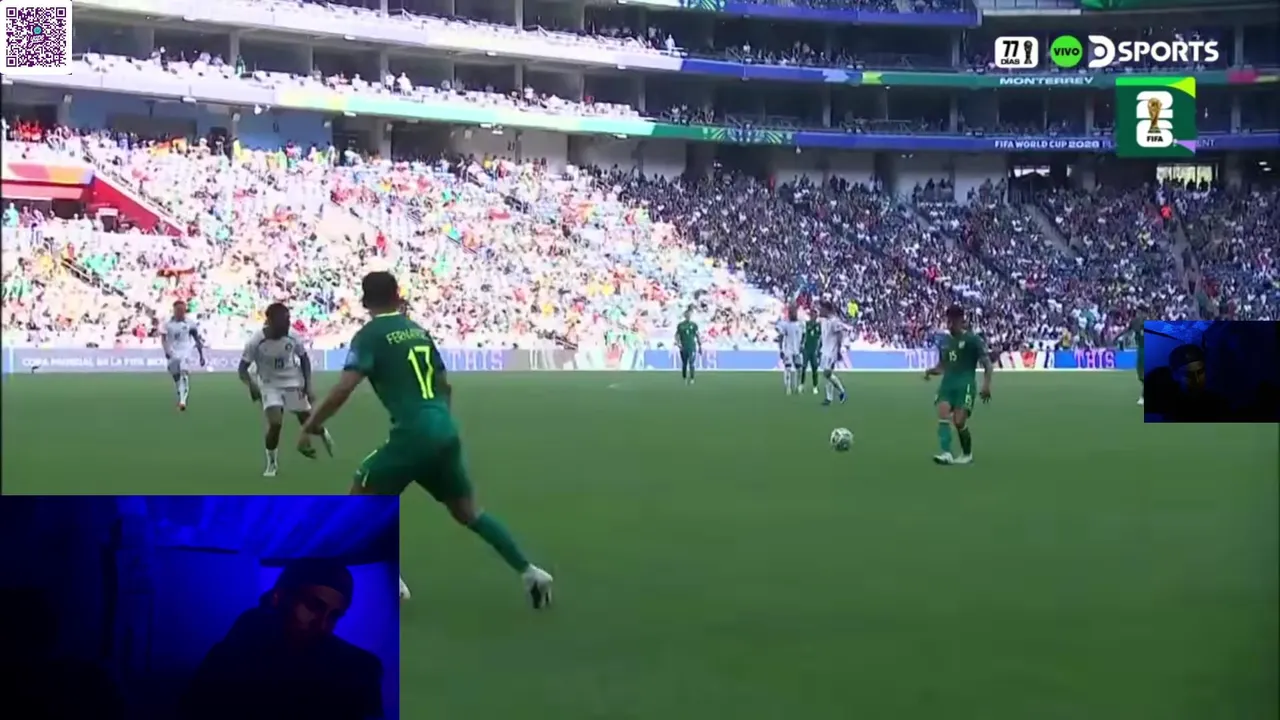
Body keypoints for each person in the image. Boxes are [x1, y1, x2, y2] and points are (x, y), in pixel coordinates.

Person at [298, 272, 553, 609]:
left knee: (358, 502)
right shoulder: (418, 331)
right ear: (397, 295)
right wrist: (438, 425)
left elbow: (345, 386)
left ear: (365, 301)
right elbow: (445, 384)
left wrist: (311, 425)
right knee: (469, 512)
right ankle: (530, 572)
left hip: (413, 434)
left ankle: (389, 582)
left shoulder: (370, 335)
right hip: (444, 430)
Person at [179, 559, 383, 720]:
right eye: (314, 606)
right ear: (278, 598)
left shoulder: (358, 669)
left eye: (334, 616)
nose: (322, 625)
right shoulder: (231, 656)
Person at [238, 303, 335, 477]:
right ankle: (272, 464)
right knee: (275, 423)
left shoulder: (293, 336)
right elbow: (242, 369)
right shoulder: (256, 341)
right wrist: (252, 385)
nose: (287, 326)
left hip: (292, 382)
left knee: (307, 422)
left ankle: (322, 432)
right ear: (269, 322)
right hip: (269, 385)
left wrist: (308, 384)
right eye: (283, 322)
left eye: (288, 321)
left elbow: (304, 359)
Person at [923, 305, 993, 465]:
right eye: (948, 321)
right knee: (943, 413)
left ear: (961, 320)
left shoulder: (973, 340)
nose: (950, 324)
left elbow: (987, 364)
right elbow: (943, 366)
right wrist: (930, 371)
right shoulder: (946, 341)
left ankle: (967, 454)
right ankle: (946, 453)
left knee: (959, 421)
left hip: (965, 384)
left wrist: (986, 385)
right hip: (948, 384)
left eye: (953, 321)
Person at [160, 300, 206, 411]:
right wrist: (166, 351)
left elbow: (197, 339)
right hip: (173, 352)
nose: (181, 312)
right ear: (174, 310)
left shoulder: (190, 323)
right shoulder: (167, 324)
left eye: (183, 310)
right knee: (176, 376)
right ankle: (180, 394)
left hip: (186, 351)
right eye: (178, 310)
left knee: (184, 373)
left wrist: (201, 355)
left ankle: (182, 401)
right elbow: (163, 339)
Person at [818, 301, 848, 406]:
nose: (820, 310)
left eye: (821, 308)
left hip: (831, 351)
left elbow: (840, 334)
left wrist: (839, 350)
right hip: (824, 350)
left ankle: (842, 391)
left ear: (826, 309)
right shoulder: (824, 321)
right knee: (826, 375)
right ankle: (829, 398)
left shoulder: (835, 321)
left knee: (827, 373)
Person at [776, 305, 803, 395]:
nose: (793, 314)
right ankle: (788, 387)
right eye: (791, 312)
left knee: (799, 369)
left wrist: (802, 345)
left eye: (794, 312)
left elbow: (803, 336)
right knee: (788, 368)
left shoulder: (800, 324)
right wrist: (781, 349)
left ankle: (798, 386)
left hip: (797, 350)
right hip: (788, 350)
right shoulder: (786, 325)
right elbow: (781, 337)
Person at [675, 308, 700, 385]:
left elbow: (697, 335)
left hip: (692, 346)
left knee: (691, 363)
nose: (688, 316)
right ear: (685, 315)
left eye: (689, 315)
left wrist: (700, 345)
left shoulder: (694, 325)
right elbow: (677, 335)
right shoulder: (680, 325)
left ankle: (692, 378)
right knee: (684, 363)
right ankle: (684, 378)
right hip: (683, 347)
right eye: (687, 315)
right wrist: (678, 343)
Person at [1128, 305, 1147, 405]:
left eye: (1140, 312)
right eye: (1138, 312)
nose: (1138, 314)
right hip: (1140, 349)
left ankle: (1143, 397)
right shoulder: (1135, 322)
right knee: (1140, 375)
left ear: (1144, 313)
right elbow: (1128, 329)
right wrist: (1117, 337)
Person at [800, 310, 821, 395]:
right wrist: (801, 345)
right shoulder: (806, 324)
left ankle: (815, 386)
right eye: (812, 315)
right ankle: (801, 384)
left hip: (814, 350)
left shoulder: (818, 325)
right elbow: (804, 334)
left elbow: (819, 337)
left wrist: (819, 350)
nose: (813, 317)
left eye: (815, 315)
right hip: (806, 349)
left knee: (814, 368)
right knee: (804, 367)